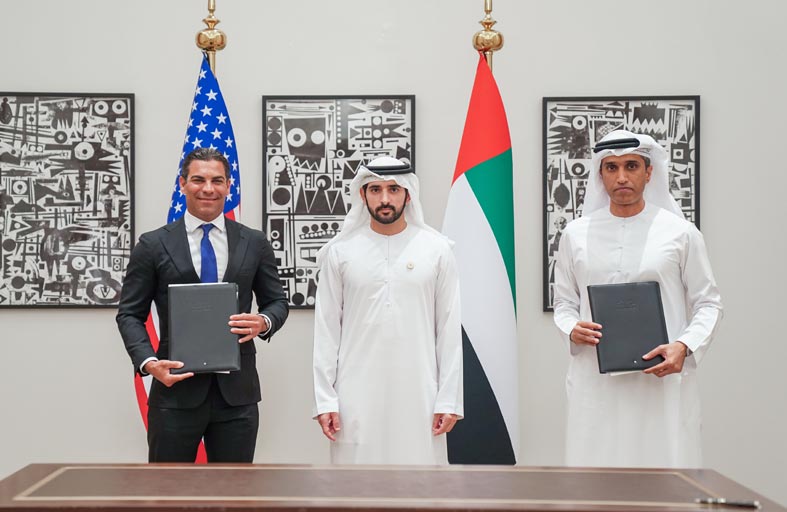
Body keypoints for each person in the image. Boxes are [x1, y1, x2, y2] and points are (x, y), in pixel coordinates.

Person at [552, 129, 723, 468]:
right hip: (595, 382)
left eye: (631, 166)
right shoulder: (575, 234)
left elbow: (709, 303)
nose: (621, 177)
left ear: (648, 172)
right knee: (595, 477)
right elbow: (564, 304)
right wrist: (571, 328)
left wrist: (684, 346)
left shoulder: (680, 233)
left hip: (660, 382)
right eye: (611, 168)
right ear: (600, 175)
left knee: (665, 472)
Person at [116, 147, 289, 463]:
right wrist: (149, 363)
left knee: (235, 488)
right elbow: (129, 313)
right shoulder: (153, 244)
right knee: (167, 487)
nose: (208, 188)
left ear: (228, 186)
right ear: (182, 184)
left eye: (217, 180)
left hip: (237, 396)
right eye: (198, 180)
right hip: (174, 392)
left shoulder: (254, 242)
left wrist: (263, 321)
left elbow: (277, 301)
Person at [312, 156, 463, 465]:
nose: (384, 199)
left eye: (394, 189)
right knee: (355, 484)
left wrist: (448, 399)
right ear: (362, 194)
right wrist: (325, 399)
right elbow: (326, 331)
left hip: (420, 394)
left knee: (419, 482)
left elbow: (449, 330)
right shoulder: (340, 252)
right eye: (375, 189)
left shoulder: (437, 250)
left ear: (408, 194)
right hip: (355, 395)